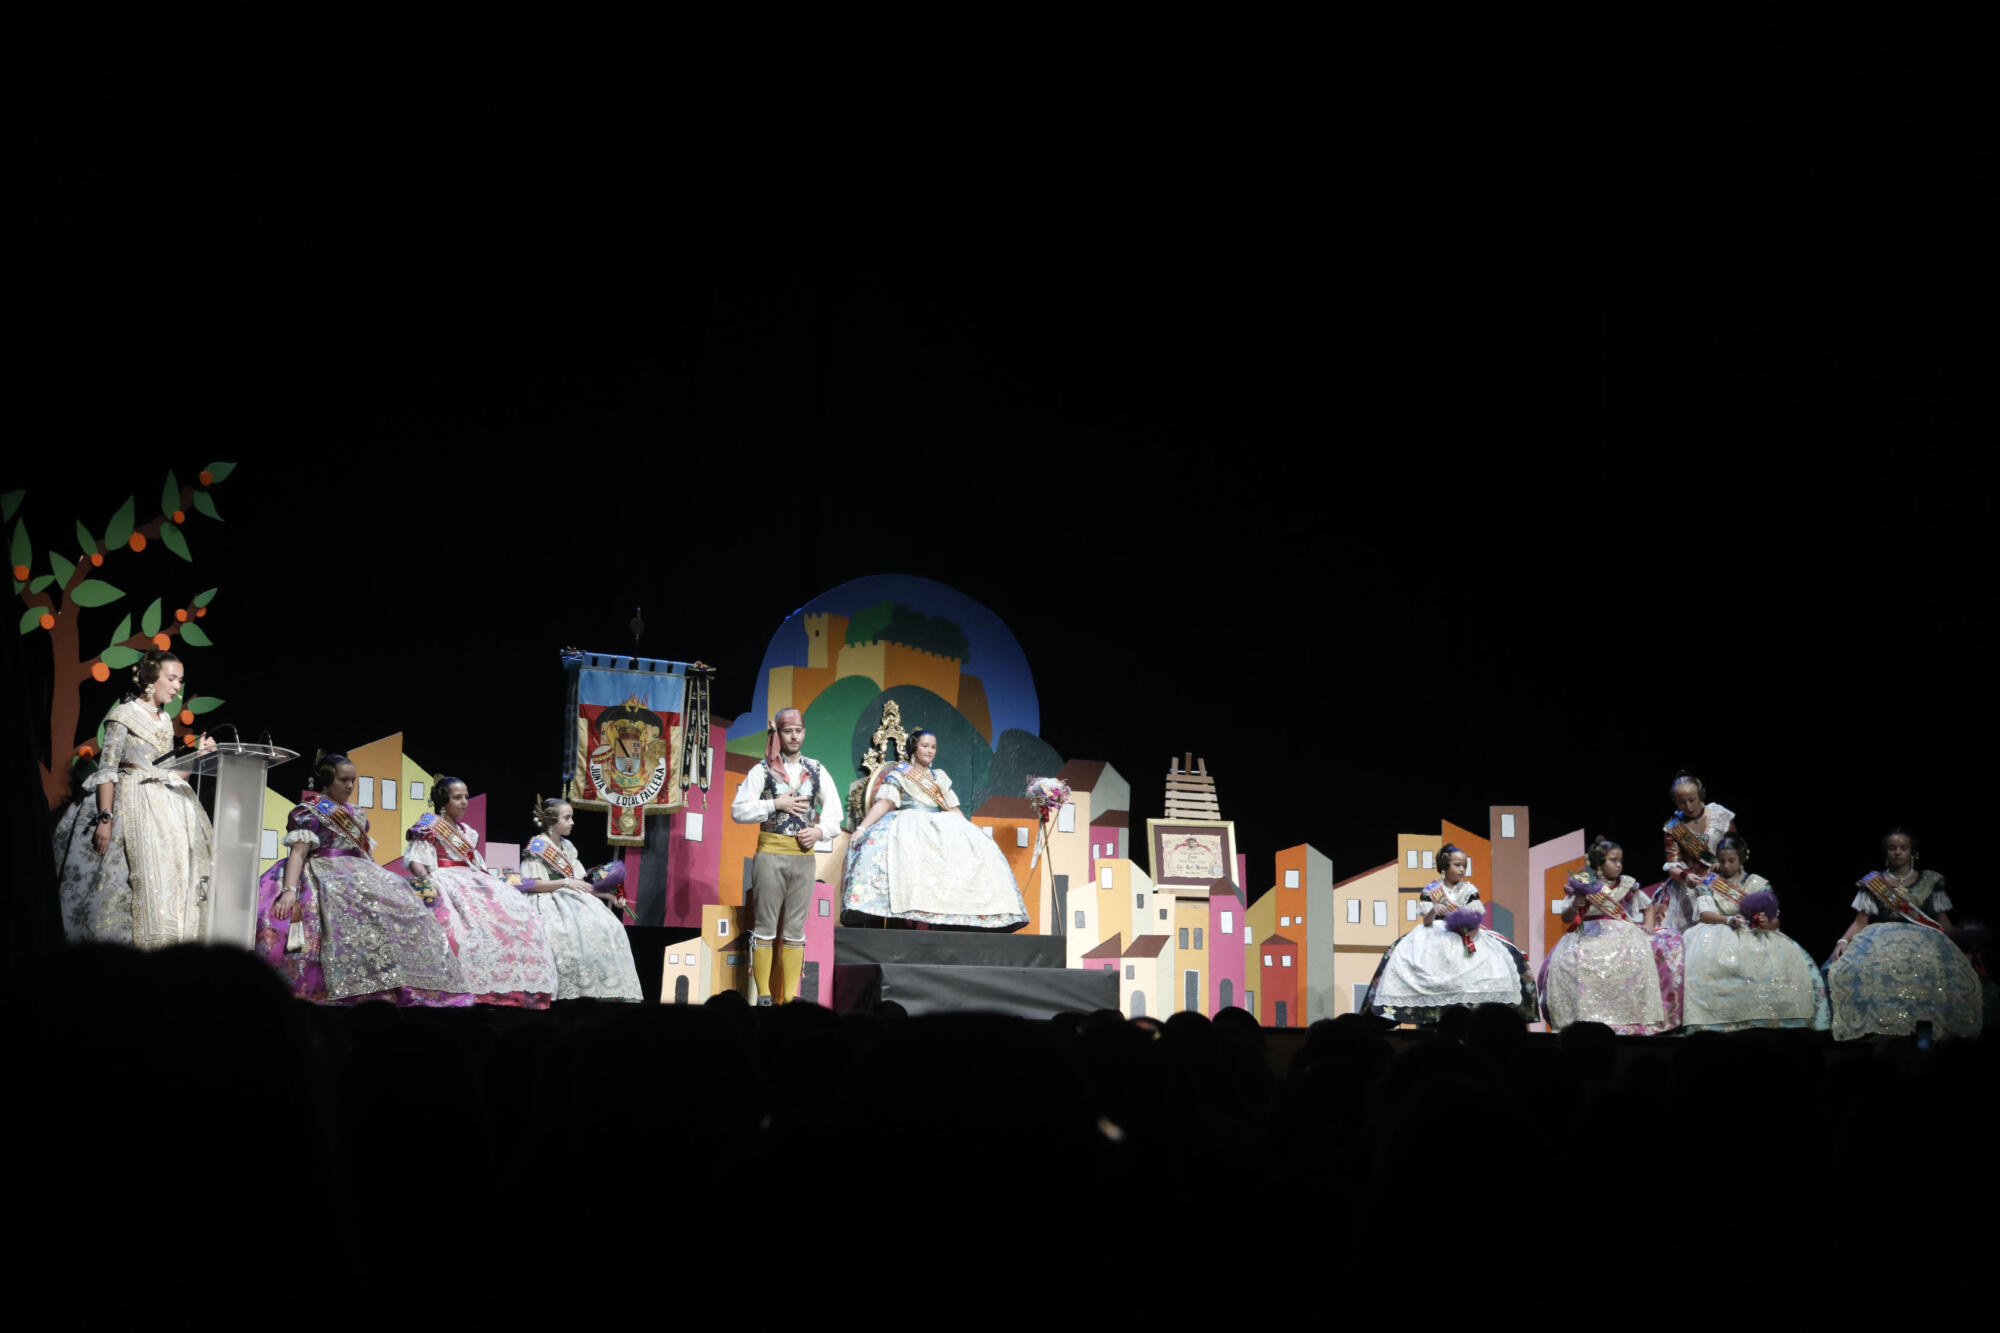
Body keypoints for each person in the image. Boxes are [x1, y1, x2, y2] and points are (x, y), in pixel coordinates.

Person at [252, 752, 471, 1005]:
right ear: (327, 780)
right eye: (343, 780)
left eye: (353, 781)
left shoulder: (357, 814)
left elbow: (364, 853)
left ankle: (398, 981)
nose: (349, 786)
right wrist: (290, 889)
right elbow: (299, 853)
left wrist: (381, 881)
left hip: (357, 870)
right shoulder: (308, 813)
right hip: (322, 871)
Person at [67, 650, 217, 947]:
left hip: (164, 807)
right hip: (131, 801)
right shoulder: (123, 715)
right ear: (151, 678)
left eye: (180, 680)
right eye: (171, 679)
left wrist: (198, 757)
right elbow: (108, 769)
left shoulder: (165, 719)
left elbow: (169, 773)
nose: (177, 687)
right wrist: (105, 818)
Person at [842, 727, 1029, 932]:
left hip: (939, 824)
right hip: (908, 824)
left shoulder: (939, 777)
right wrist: (862, 828)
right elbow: (885, 803)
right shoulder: (900, 774)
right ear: (914, 748)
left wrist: (971, 832)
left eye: (933, 747)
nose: (930, 751)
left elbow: (951, 807)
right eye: (925, 746)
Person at [403, 776, 558, 1008]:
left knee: (510, 912)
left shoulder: (468, 832)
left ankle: (507, 983)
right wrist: (427, 882)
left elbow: (476, 864)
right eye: (457, 797)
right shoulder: (429, 825)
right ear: (443, 800)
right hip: (443, 877)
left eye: (466, 796)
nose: (464, 802)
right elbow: (417, 860)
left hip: (470, 877)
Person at [729, 708, 843, 1004]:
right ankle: (764, 996)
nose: (794, 736)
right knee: (765, 927)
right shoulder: (762, 770)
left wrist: (819, 832)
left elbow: (835, 813)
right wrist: (774, 804)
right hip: (771, 854)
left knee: (795, 929)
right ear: (778, 734)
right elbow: (738, 810)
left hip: (803, 858)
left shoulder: (816, 769)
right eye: (788, 731)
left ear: (804, 733)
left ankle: (790, 998)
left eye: (798, 730)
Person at [1825, 828, 1981, 1041]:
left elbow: (1943, 922)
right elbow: (1860, 921)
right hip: (1879, 939)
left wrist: (1963, 944)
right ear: (1886, 852)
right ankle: (1878, 1027)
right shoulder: (1874, 882)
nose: (1898, 852)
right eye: (1892, 848)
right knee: (1851, 968)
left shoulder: (1930, 881)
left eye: (1903, 848)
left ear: (1912, 852)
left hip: (1925, 940)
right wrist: (1843, 940)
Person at [1361, 843, 1537, 1024]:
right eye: (1457, 865)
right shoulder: (1431, 889)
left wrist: (1467, 928)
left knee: (1498, 959)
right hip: (1434, 932)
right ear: (1445, 866)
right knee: (1404, 958)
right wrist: (1434, 910)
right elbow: (1427, 921)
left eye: (1464, 866)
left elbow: (1475, 918)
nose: (1462, 870)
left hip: (1463, 932)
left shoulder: (1469, 889)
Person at [1679, 834, 1829, 1032]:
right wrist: (1728, 920)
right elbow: (1705, 914)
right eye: (1722, 861)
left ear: (1741, 859)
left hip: (1754, 932)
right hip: (1719, 927)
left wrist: (1766, 923)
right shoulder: (1709, 882)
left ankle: (1775, 1019)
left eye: (1731, 860)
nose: (1726, 865)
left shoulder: (1758, 884)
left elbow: (1775, 921)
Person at [1541, 836, 1679, 1034]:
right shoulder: (1583, 884)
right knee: (1566, 962)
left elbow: (1648, 906)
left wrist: (1649, 925)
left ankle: (1633, 1020)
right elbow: (1566, 917)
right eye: (1613, 860)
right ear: (1599, 863)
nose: (1618, 865)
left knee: (1639, 955)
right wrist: (1575, 905)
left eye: (1620, 860)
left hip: (1623, 932)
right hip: (1589, 932)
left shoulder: (1626, 884)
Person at [519, 797, 643, 1001]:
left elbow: (581, 885)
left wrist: (610, 896)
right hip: (547, 900)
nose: (572, 822)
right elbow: (532, 884)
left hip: (573, 898)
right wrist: (565, 882)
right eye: (567, 818)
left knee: (610, 927)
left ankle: (602, 989)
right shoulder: (537, 847)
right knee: (563, 935)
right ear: (552, 821)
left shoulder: (567, 846)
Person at [1655, 772, 1739, 934]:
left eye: (1692, 800)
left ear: (1701, 795)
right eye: (1682, 802)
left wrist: (1722, 863)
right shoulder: (1674, 827)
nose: (1688, 806)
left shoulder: (1719, 815)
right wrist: (1686, 876)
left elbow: (1735, 850)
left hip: (1722, 882)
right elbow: (1672, 865)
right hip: (1689, 887)